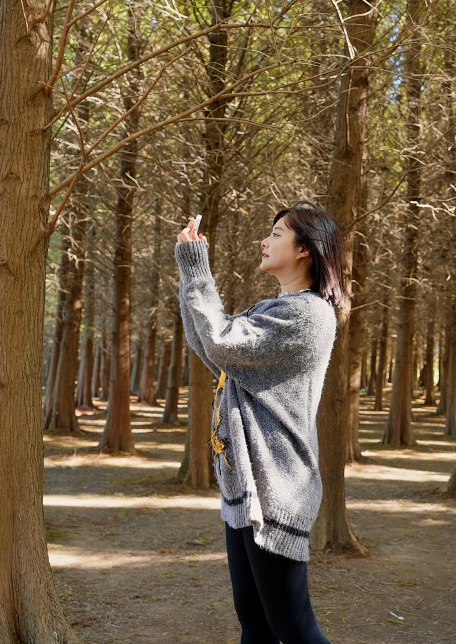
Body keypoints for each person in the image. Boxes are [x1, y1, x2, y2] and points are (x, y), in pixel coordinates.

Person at [174, 200, 345, 644]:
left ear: (305, 248)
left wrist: (198, 269)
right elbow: (212, 347)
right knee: (254, 621)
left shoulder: (308, 315)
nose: (264, 241)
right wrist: (190, 270)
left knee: (294, 625)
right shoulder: (274, 308)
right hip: (247, 487)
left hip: (277, 486)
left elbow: (219, 339)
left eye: (276, 234)